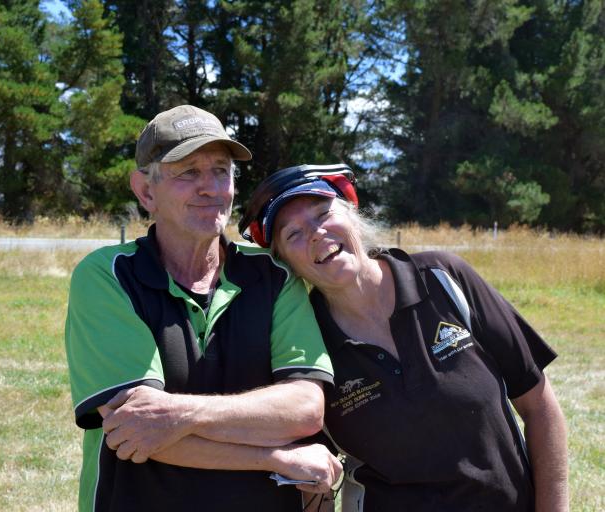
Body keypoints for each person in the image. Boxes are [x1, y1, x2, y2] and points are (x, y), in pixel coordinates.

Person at [239, 163, 569, 511]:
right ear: (286, 263)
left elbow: (540, 407)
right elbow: (313, 476)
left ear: (352, 213)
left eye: (323, 213)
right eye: (294, 234)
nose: (317, 233)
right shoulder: (307, 342)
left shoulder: (444, 279)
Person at [64, 106, 342, 512]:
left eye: (221, 170)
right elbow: (135, 430)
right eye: (188, 172)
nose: (211, 187)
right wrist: (274, 458)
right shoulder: (108, 276)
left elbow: (304, 409)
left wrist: (179, 413)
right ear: (146, 191)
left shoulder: (274, 275)